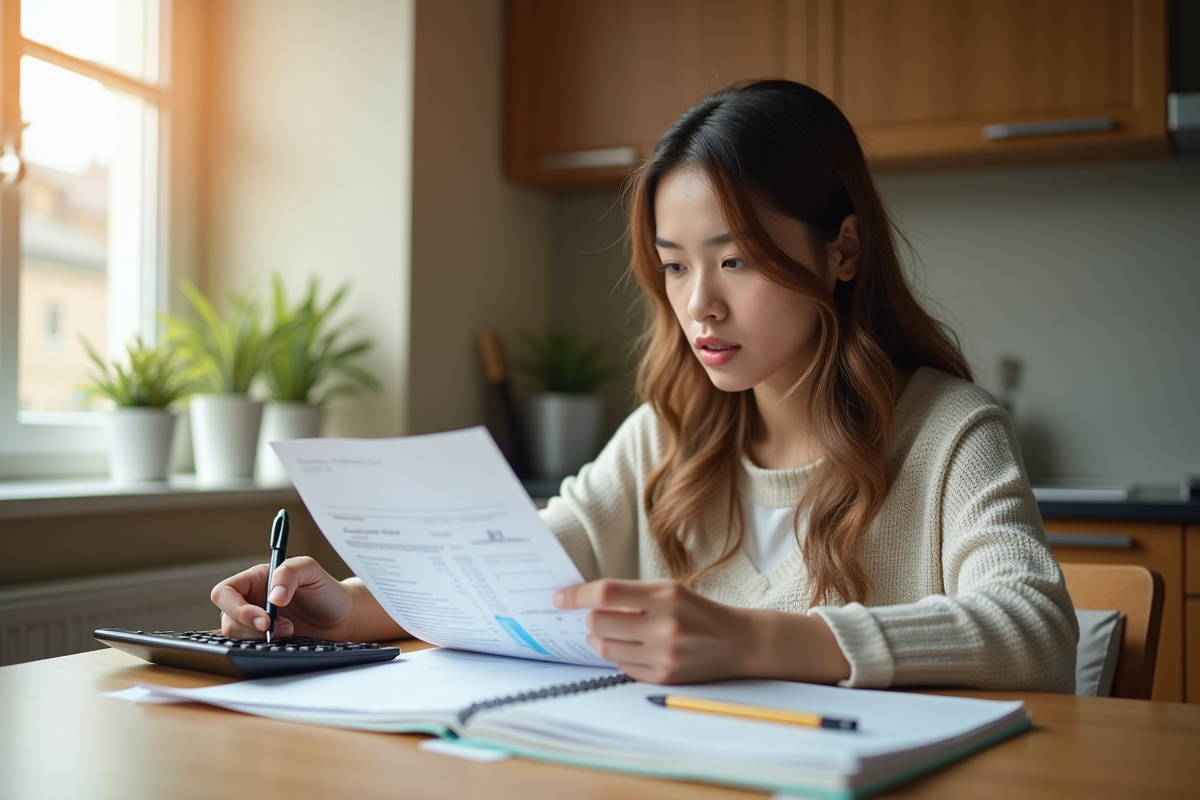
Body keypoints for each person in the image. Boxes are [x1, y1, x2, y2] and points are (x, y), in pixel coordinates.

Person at [212, 80, 1078, 693]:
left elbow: (1037, 632)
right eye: (675, 266)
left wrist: (755, 641)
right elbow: (517, 572)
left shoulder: (950, 432)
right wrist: (342, 608)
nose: (699, 305)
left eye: (735, 260)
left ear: (842, 250)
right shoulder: (668, 436)